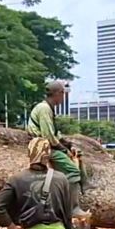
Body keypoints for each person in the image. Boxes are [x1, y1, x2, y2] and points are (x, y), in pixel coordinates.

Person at [27, 80, 89, 218]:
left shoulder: (48, 108)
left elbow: (55, 134)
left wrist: (68, 145)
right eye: (63, 94)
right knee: (72, 170)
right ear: (58, 93)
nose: (64, 97)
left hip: (48, 143)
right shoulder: (44, 109)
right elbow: (48, 136)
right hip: (42, 146)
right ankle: (73, 207)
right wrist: (63, 149)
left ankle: (85, 185)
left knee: (77, 154)